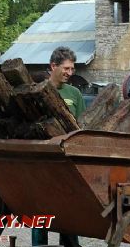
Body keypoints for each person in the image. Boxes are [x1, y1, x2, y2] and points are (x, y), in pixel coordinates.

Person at [32, 46, 86, 247]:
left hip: (66, 161)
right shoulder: (36, 90)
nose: (69, 73)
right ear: (53, 66)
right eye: (66, 68)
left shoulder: (74, 93)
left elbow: (80, 126)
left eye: (72, 69)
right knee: (39, 210)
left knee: (68, 210)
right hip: (41, 160)